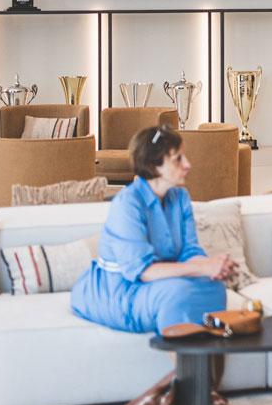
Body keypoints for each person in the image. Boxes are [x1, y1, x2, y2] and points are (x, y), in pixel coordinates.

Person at [72, 124, 239, 334]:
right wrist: (205, 268)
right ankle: (183, 365)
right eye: (178, 159)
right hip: (120, 290)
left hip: (159, 281)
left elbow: (189, 251)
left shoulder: (180, 198)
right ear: (154, 165)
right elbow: (142, 271)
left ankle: (197, 364)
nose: (187, 164)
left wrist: (215, 266)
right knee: (177, 293)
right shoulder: (128, 203)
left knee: (214, 287)